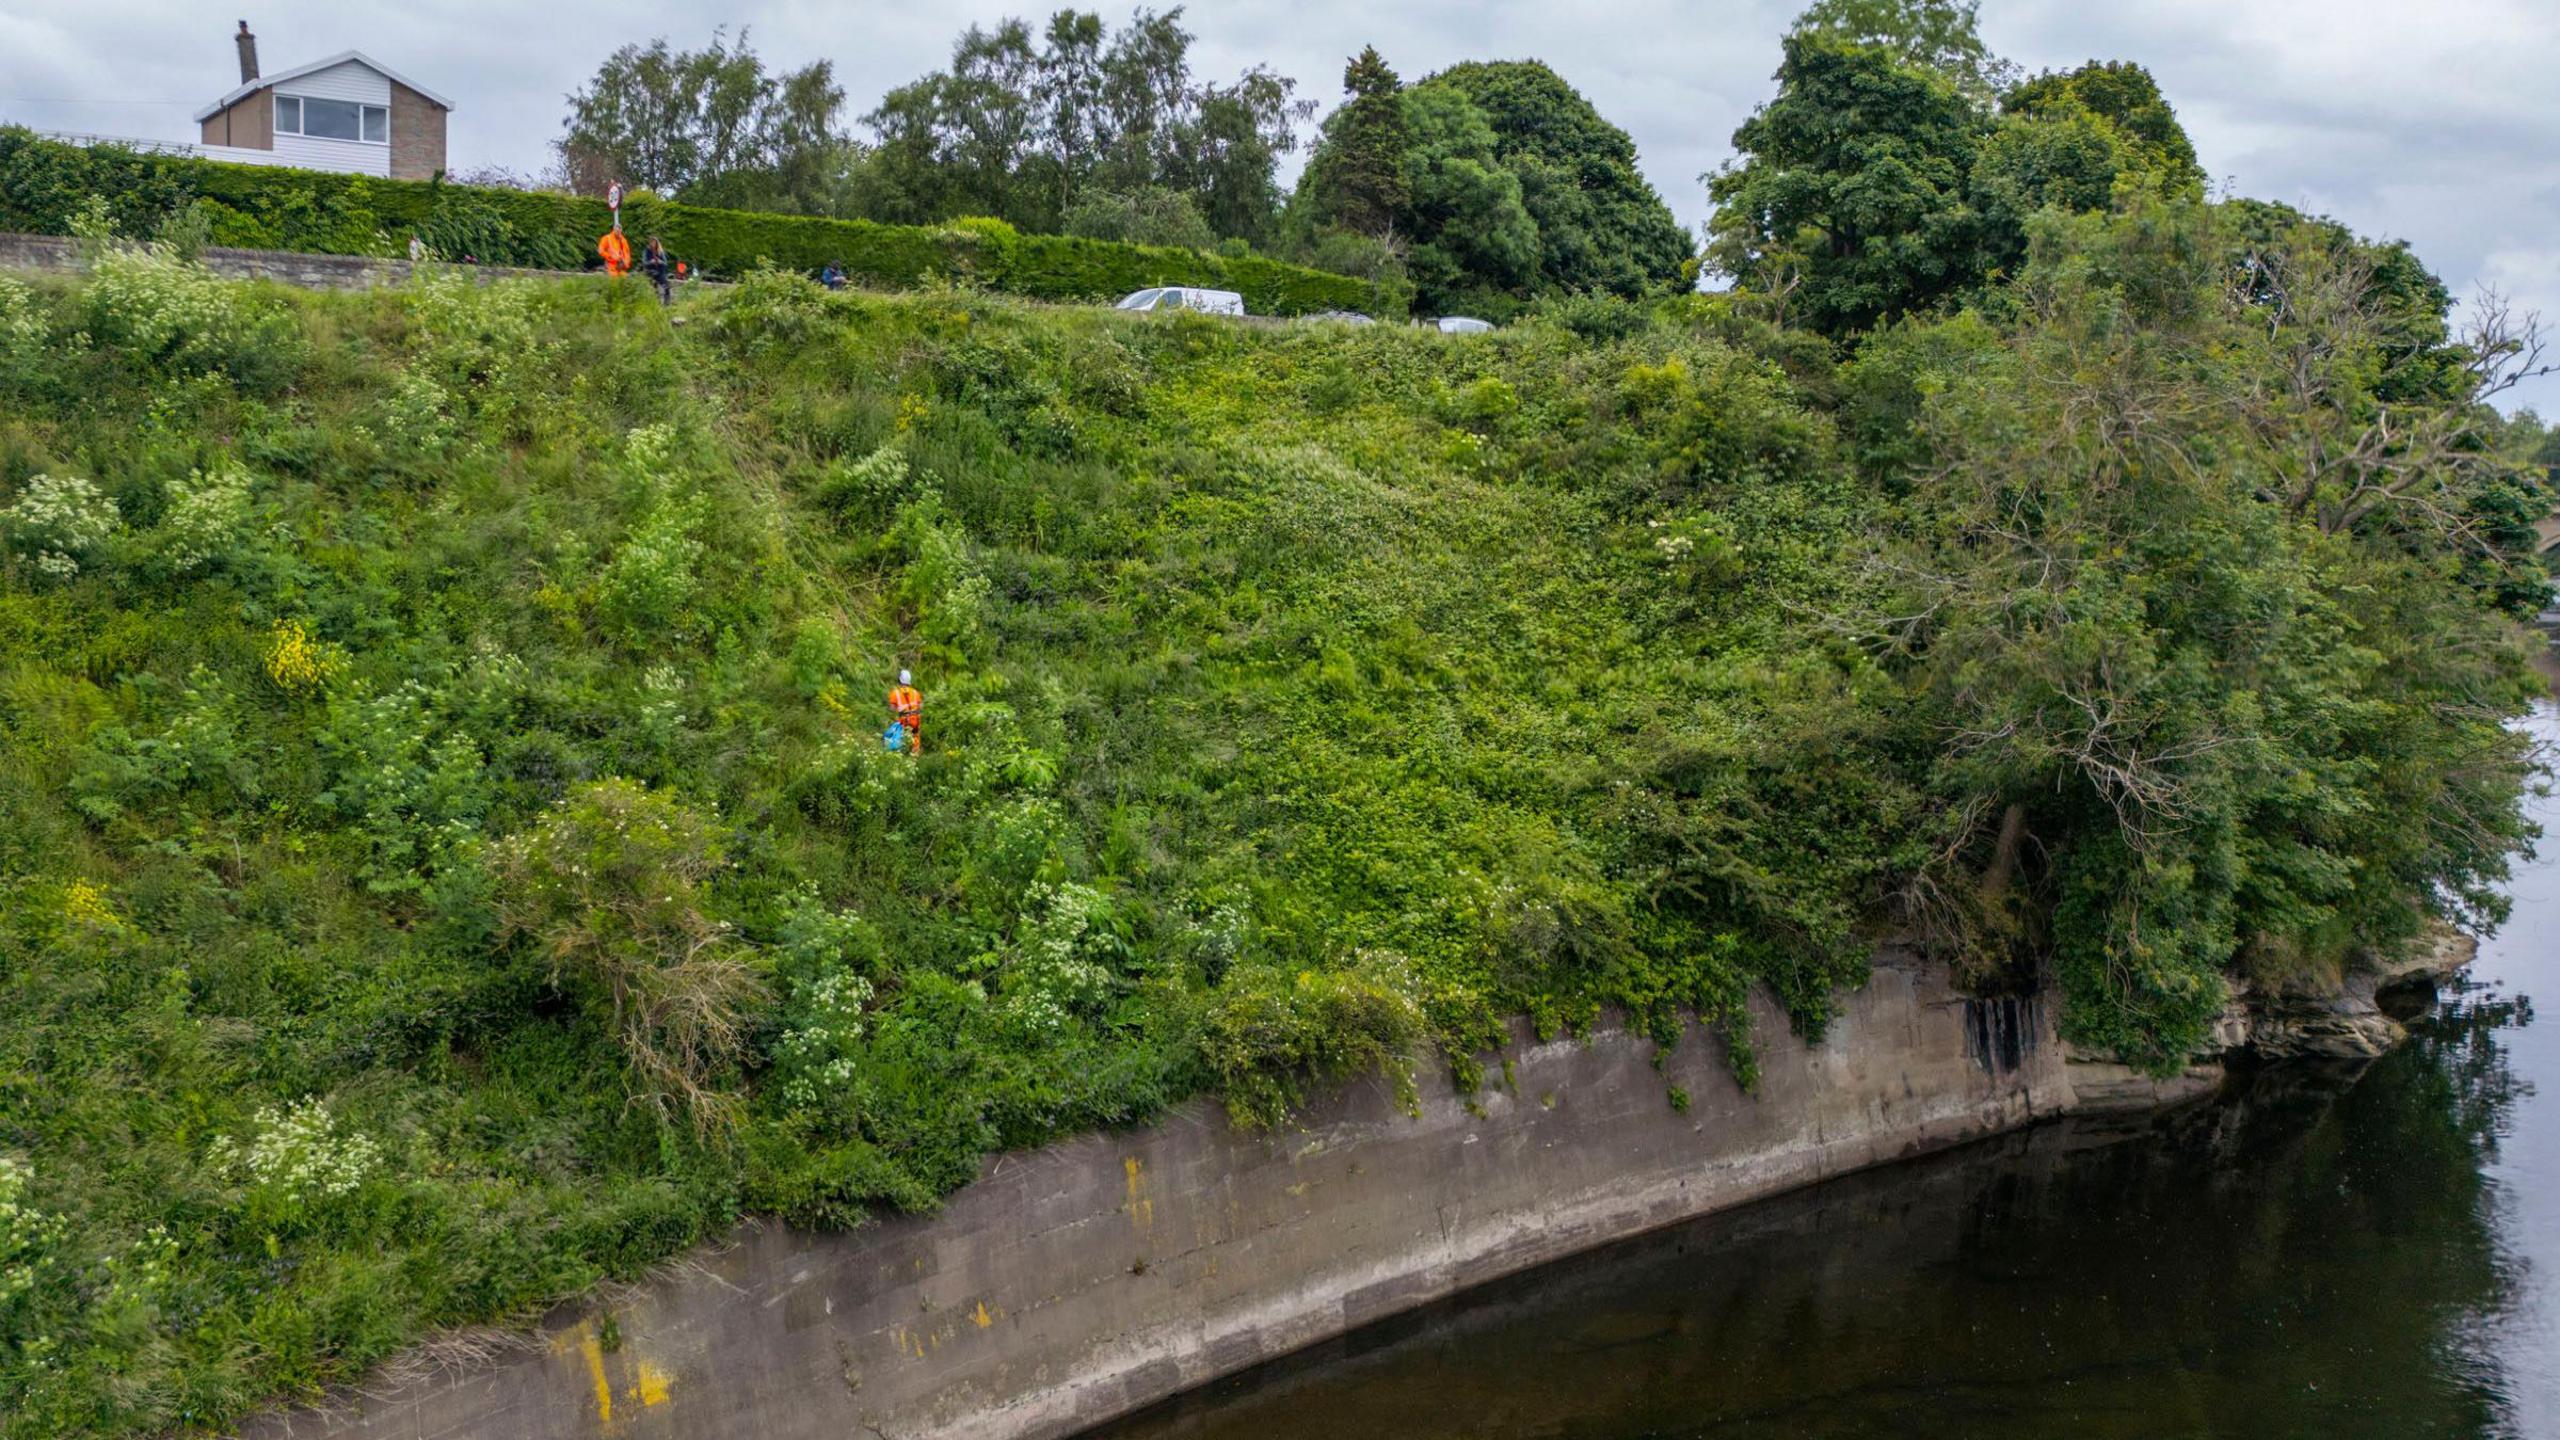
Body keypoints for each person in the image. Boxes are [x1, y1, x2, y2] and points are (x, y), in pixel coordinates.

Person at [887, 669, 922, 755]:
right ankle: (914, 757)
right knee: (915, 738)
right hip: (915, 719)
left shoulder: (895, 693)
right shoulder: (916, 692)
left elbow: (892, 708)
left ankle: (902, 756)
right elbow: (920, 706)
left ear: (899, 680)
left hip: (904, 720)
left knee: (900, 738)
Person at [643, 235, 672, 306]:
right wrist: (650, 262)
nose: (653, 244)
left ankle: (666, 304)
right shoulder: (647, 251)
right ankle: (656, 304)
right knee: (654, 288)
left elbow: (665, 263)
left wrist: (660, 261)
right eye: (651, 242)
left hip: (660, 272)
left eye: (654, 242)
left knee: (666, 286)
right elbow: (644, 263)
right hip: (651, 271)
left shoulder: (660, 251)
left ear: (657, 243)